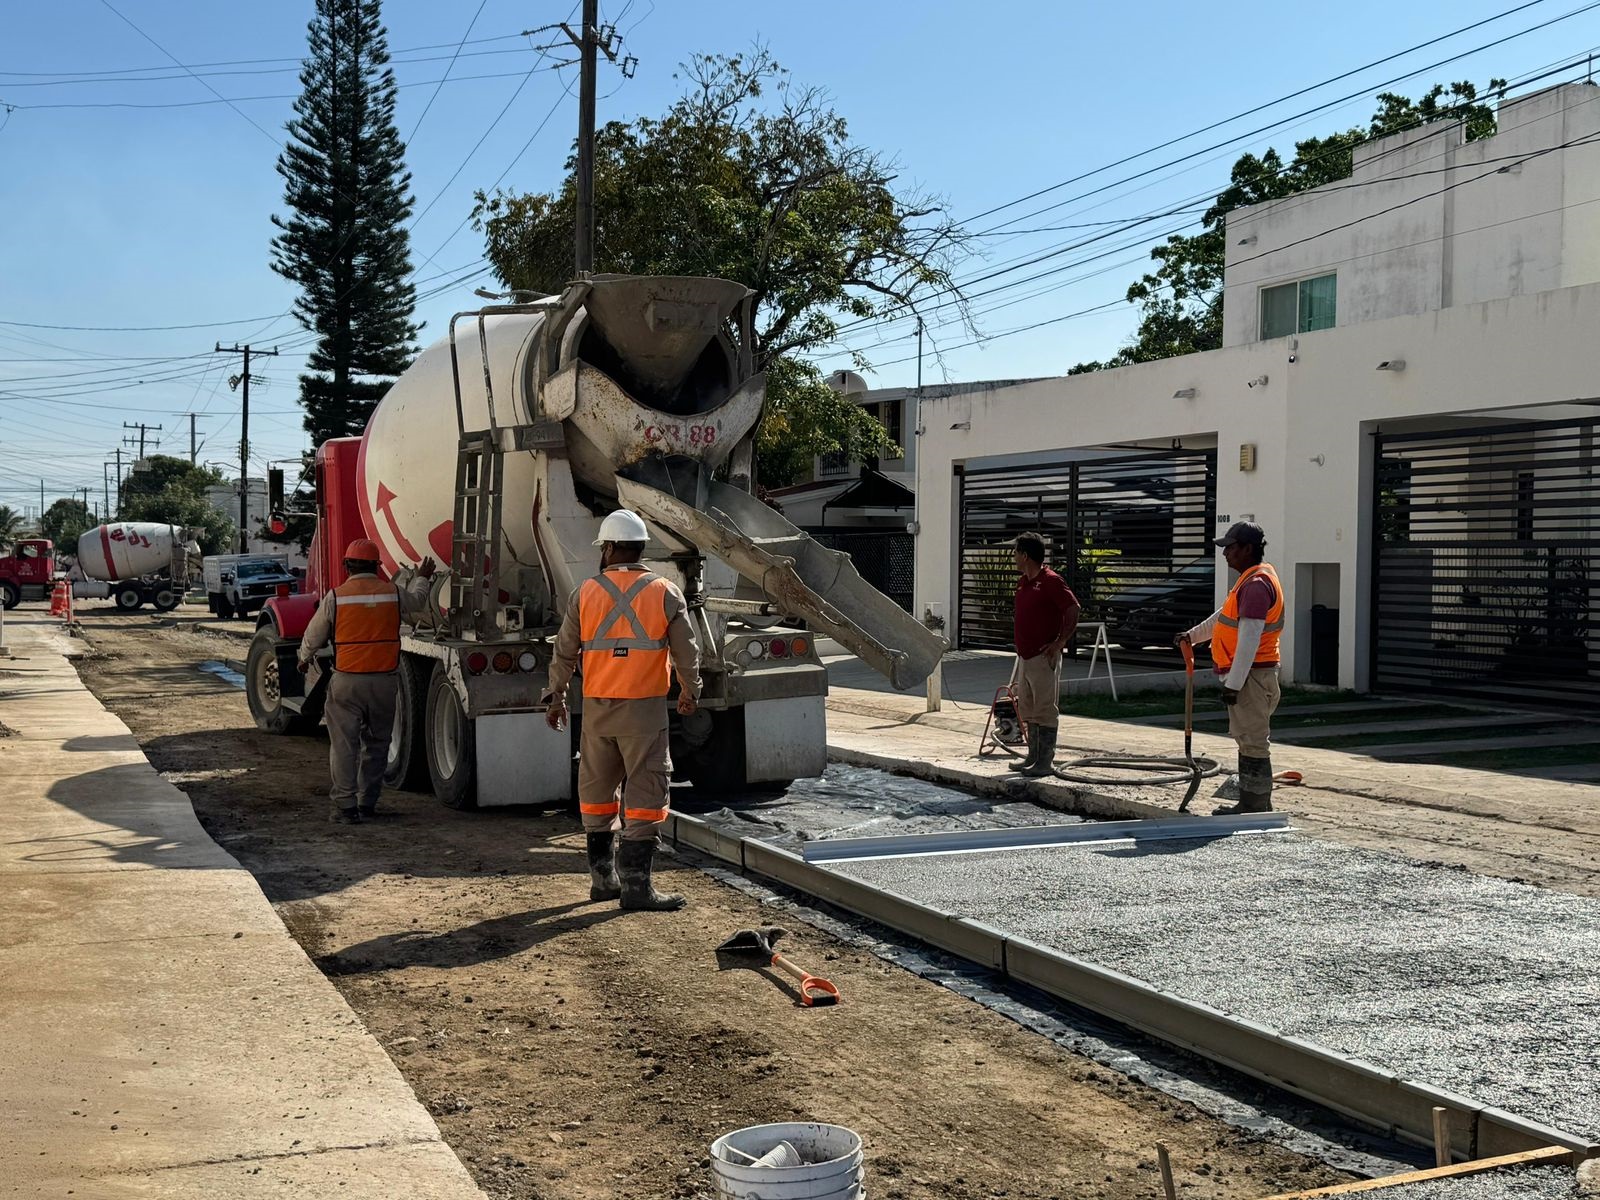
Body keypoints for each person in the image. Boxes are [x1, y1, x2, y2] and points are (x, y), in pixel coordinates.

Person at [545, 510, 702, 912]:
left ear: (610, 548)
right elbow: (687, 652)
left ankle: (602, 881)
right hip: (645, 715)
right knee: (646, 793)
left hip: (597, 714)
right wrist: (690, 691)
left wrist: (557, 696)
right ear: (640, 548)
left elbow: (563, 652)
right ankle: (637, 888)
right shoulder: (666, 592)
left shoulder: (585, 593)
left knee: (597, 795)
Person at [297, 538, 436, 824]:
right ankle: (367, 802)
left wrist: (303, 657)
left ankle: (345, 807)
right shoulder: (393, 593)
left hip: (347, 682)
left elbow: (313, 636)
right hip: (384, 682)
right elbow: (419, 602)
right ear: (377, 566)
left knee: (344, 746)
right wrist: (421, 578)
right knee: (377, 744)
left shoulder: (337, 596)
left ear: (347, 566)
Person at [1176, 521, 1285, 815]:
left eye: (1230, 547)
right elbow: (1224, 617)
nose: (1225, 554)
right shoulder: (1249, 582)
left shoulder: (1257, 586)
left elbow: (1249, 639)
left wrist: (1234, 684)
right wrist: (1193, 636)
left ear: (1248, 549)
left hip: (1252, 677)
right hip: (1251, 676)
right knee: (1247, 738)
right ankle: (1258, 801)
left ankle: (1253, 806)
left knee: (1252, 741)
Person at [1011, 532, 1082, 777]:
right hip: (1025, 656)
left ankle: (1045, 761)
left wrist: (1060, 641)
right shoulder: (1023, 582)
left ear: (1025, 555)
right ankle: (1032, 756)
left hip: (1043, 657)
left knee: (1044, 708)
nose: (1014, 557)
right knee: (1028, 708)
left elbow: (1072, 608)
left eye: (1016, 552)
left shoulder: (1051, 580)